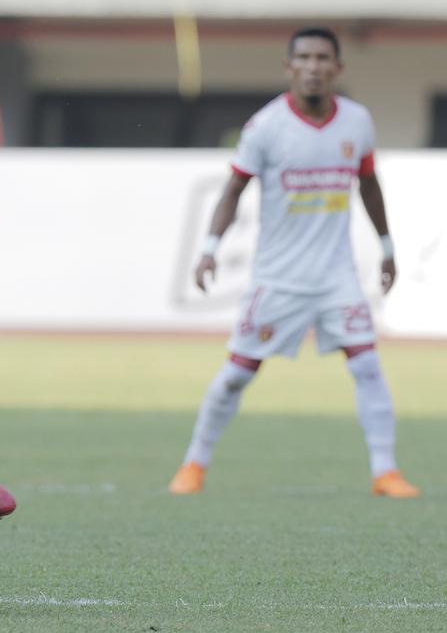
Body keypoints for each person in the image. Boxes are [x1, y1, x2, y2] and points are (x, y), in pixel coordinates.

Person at [168, 26, 419, 499]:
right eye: (303, 57)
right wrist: (209, 249)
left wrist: (387, 247)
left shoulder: (357, 121)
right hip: (278, 278)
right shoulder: (265, 126)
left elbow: (368, 184)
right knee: (239, 373)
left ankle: (385, 472)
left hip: (336, 276)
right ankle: (194, 465)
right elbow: (234, 188)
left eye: (323, 58)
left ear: (337, 68)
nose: (313, 66)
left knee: (367, 366)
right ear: (289, 67)